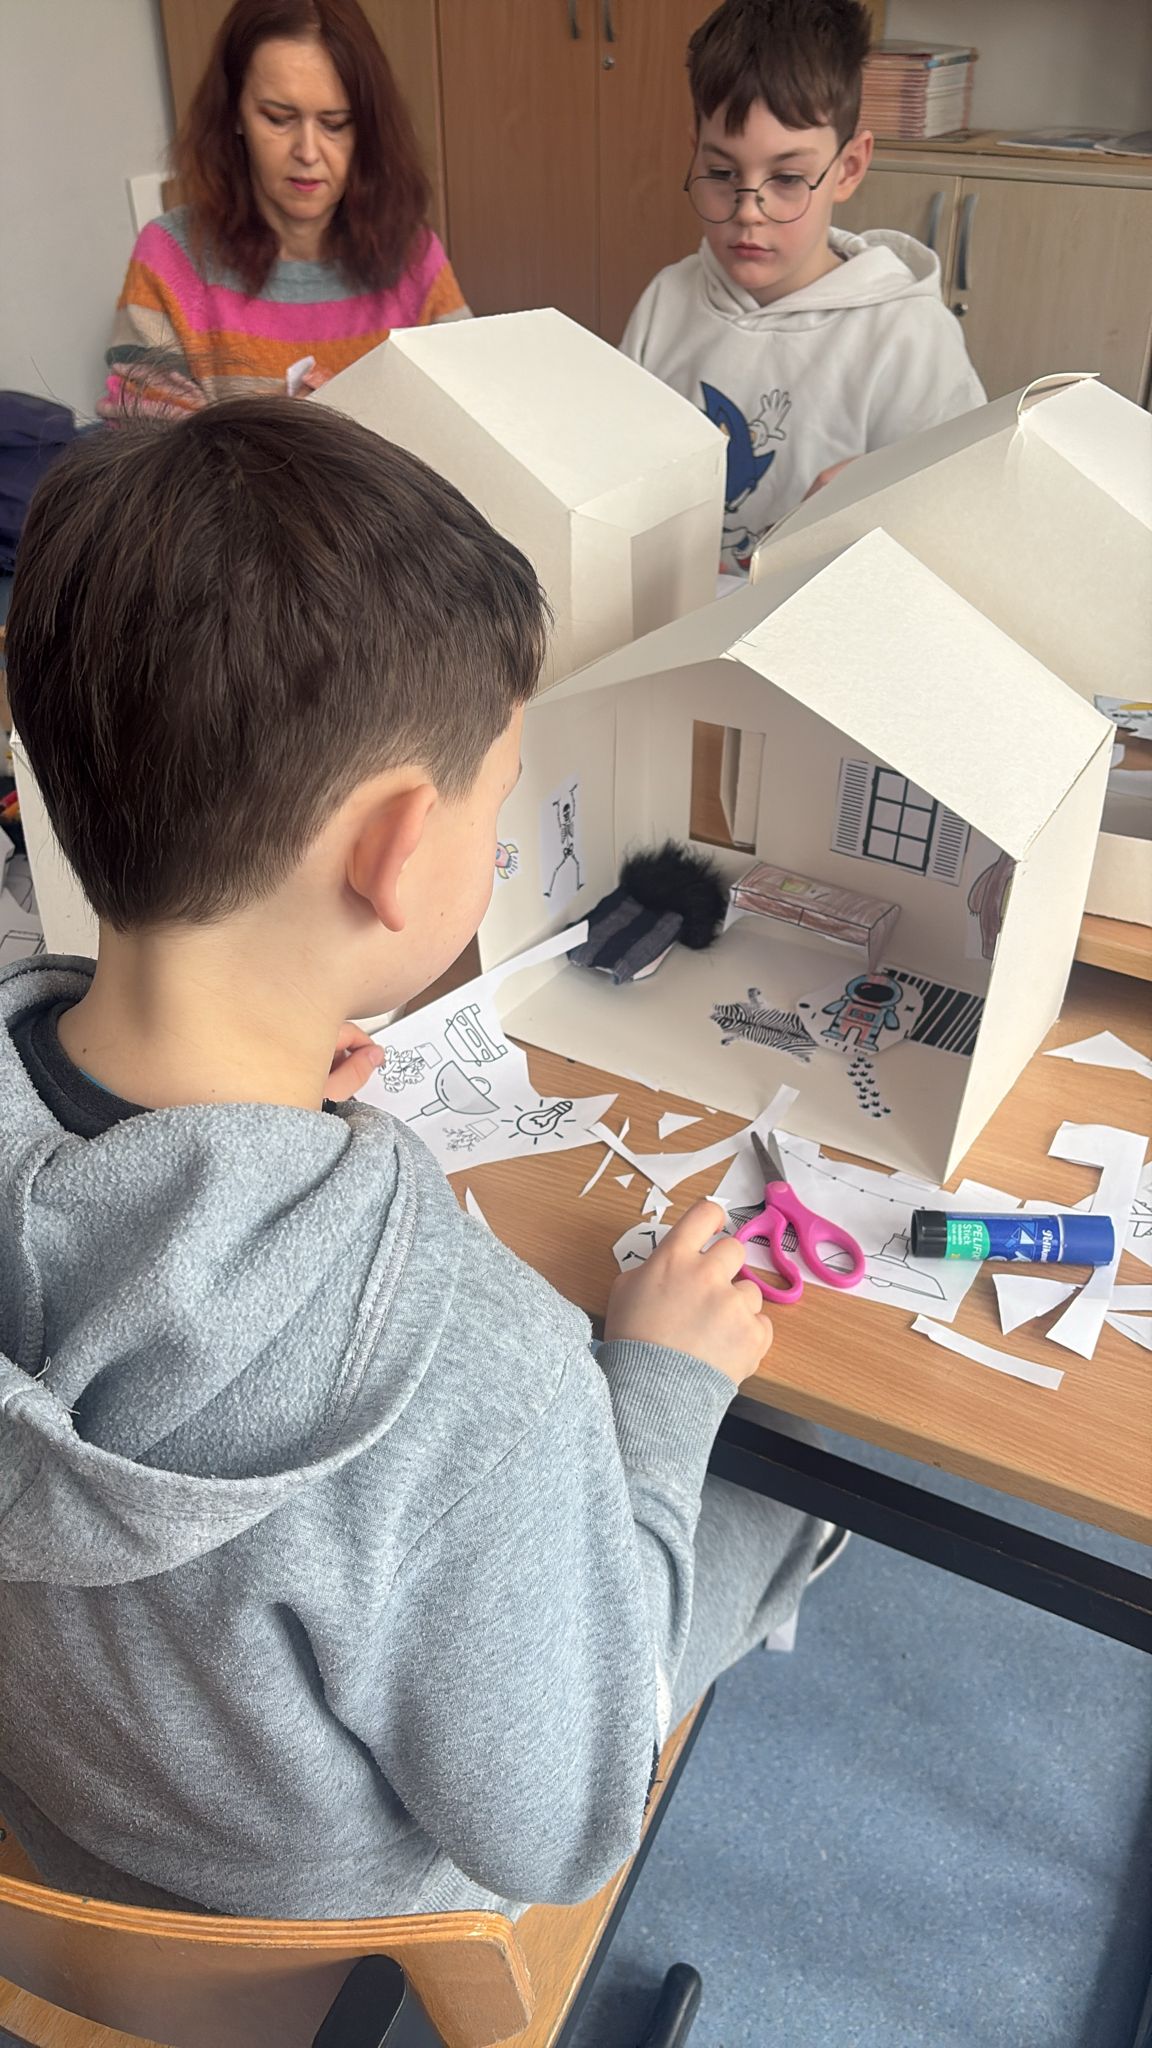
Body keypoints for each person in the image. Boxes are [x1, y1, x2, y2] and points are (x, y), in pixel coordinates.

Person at [0, 398, 832, 1921]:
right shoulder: (473, 1372)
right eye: (497, 800)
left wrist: (246, 1125)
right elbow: (562, 1829)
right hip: (351, 1956)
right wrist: (654, 1398)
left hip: (65, 1839)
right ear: (395, 852)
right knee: (800, 1500)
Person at [620, 0, 985, 572]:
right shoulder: (668, 298)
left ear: (849, 168)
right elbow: (619, 471)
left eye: (788, 178)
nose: (749, 210)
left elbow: (958, 522)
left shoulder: (908, 335)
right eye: (721, 173)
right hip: (674, 605)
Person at [101, 0, 466, 419]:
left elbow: (468, 408)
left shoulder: (414, 255)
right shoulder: (170, 256)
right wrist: (287, 431)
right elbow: (146, 445)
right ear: (234, 113)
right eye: (278, 118)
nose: (308, 152)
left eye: (335, 124)